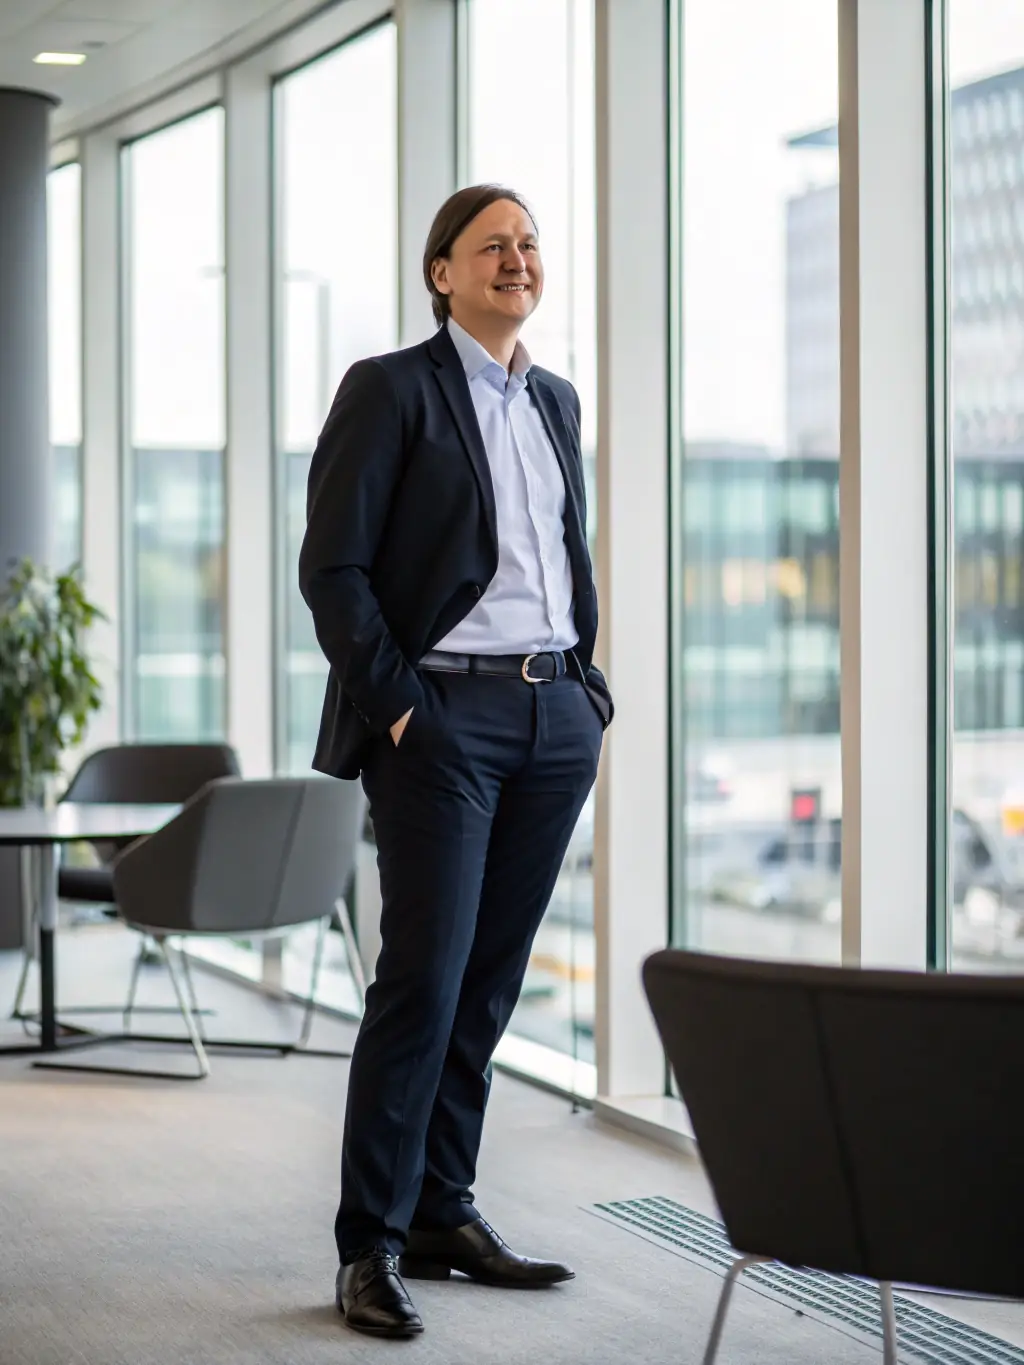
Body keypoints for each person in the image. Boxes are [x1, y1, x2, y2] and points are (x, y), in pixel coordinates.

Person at [298, 183, 612, 1339]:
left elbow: (557, 557)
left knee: (487, 984)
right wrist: (400, 713)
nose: (516, 260)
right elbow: (333, 570)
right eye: (492, 246)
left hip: (551, 717)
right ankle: (368, 1244)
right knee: (421, 985)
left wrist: (586, 688)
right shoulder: (390, 390)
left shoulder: (555, 400)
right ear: (442, 272)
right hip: (442, 724)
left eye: (529, 244)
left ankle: (442, 1208)